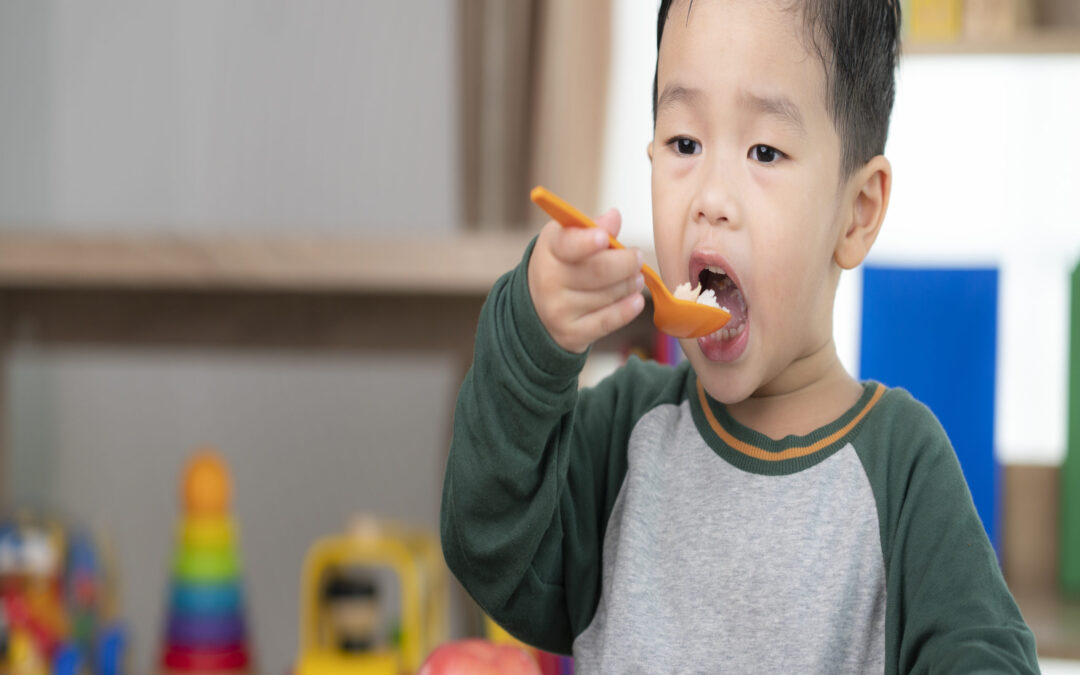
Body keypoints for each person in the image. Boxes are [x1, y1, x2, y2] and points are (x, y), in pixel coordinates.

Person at [440, 0, 1039, 671]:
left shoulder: (904, 473)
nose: (710, 196)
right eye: (684, 144)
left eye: (764, 150)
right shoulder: (625, 433)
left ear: (856, 213)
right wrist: (530, 339)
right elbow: (487, 543)